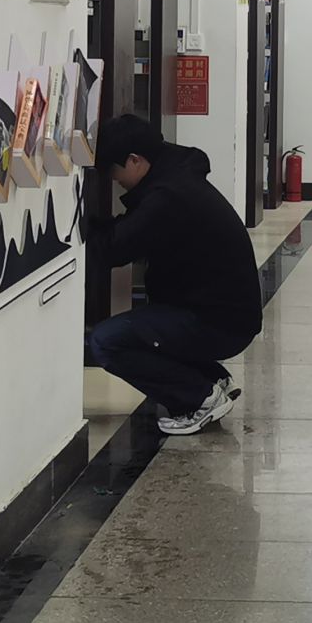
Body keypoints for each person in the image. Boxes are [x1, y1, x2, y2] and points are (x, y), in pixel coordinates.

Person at [87, 114, 263, 435]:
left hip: (220, 323)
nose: (114, 180)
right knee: (143, 324)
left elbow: (115, 248)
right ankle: (211, 377)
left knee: (106, 342)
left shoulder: (168, 197)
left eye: (113, 171)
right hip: (227, 314)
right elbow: (127, 232)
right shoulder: (174, 175)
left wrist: (79, 232)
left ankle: (200, 398)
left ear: (134, 160)